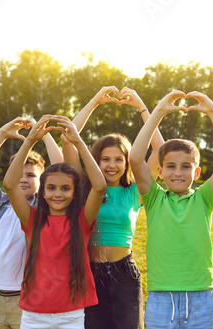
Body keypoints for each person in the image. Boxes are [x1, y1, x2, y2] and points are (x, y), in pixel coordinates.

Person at [129, 90, 213, 328]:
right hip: (161, 297)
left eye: (185, 166)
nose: (178, 172)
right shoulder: (154, 198)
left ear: (196, 173)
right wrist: (158, 112)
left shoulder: (204, 198)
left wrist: (212, 111)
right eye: (170, 166)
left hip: (201, 297)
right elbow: (135, 158)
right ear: (160, 171)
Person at [62, 86, 164, 329]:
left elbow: (161, 151)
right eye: (105, 159)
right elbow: (67, 138)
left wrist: (141, 107)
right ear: (95, 160)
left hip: (125, 275)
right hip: (88, 273)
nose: (111, 165)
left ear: (127, 162)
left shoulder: (135, 191)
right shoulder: (85, 187)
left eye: (119, 159)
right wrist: (95, 101)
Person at [3, 115, 107, 328]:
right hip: (34, 316)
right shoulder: (33, 219)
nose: (57, 194)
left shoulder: (81, 220)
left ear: (75, 192)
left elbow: (99, 186)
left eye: (65, 188)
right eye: (51, 188)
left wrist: (78, 142)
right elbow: (10, 185)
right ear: (43, 190)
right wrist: (30, 140)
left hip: (72, 314)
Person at [0, 117, 63, 329]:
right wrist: (2, 133)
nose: (23, 179)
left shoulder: (45, 207)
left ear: (43, 180)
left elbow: (62, 168)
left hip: (29, 299)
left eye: (30, 175)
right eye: (19, 173)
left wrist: (44, 134)